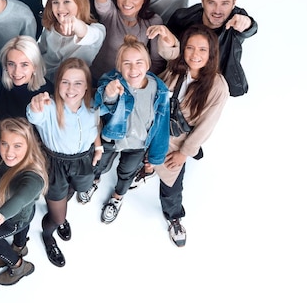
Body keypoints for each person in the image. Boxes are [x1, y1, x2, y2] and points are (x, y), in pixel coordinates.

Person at [147, 24, 229, 247]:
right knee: (136, 154)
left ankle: (174, 217)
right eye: (190, 47)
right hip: (156, 126)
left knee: (172, 183)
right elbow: (169, 50)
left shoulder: (217, 86)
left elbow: (205, 126)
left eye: (202, 50)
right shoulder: (178, 68)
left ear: (211, 53)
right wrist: (165, 34)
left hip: (178, 139)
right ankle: (143, 169)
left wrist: (184, 153)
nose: (195, 54)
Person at [78, 36, 169, 227]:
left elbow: (161, 123)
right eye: (127, 63)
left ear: (148, 64)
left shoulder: (159, 90)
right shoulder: (113, 82)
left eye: (139, 63)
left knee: (127, 172)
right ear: (119, 66)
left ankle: (118, 197)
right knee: (99, 164)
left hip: (137, 144)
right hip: (112, 138)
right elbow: (98, 106)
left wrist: (155, 157)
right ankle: (93, 181)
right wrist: (109, 95)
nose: (133, 69)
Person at [27, 58, 101, 268]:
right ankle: (49, 235)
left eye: (78, 83)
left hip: (82, 161)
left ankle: (60, 209)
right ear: (57, 83)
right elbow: (34, 115)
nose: (71, 89)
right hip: (56, 164)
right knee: (58, 217)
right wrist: (36, 106)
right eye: (65, 82)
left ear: (86, 85)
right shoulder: (48, 106)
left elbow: (95, 125)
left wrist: (98, 147)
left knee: (73, 190)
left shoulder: (92, 105)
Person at [0, 117, 48, 286]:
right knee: (22, 231)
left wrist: (0, 214)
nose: (9, 152)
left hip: (15, 218)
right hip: (24, 214)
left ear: (28, 145)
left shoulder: (34, 176)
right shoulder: (3, 157)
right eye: (4, 144)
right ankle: (19, 246)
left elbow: (20, 198)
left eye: (17, 145)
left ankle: (19, 266)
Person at [166, 0, 258, 97]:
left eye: (225, 3)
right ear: (202, 1)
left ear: (233, 3)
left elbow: (250, 28)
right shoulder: (182, 18)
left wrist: (247, 23)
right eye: (211, 2)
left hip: (217, 86)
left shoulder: (236, 19)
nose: (217, 10)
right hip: (182, 83)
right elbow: (167, 51)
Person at [88, 0, 170, 83]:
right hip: (98, 80)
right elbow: (102, 3)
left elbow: (156, 62)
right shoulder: (111, 14)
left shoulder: (153, 21)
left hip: (130, 86)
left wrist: (138, 82)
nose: (127, 1)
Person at [38, 0, 106, 82]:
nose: (60, 8)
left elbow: (90, 34)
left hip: (71, 88)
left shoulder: (97, 30)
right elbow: (39, 53)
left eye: (66, 1)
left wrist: (76, 23)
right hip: (42, 81)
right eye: (55, 2)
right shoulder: (50, 27)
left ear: (80, 3)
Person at [0, 35, 54, 120]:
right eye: (11, 64)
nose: (16, 72)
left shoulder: (47, 91)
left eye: (24, 65)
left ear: (35, 66)